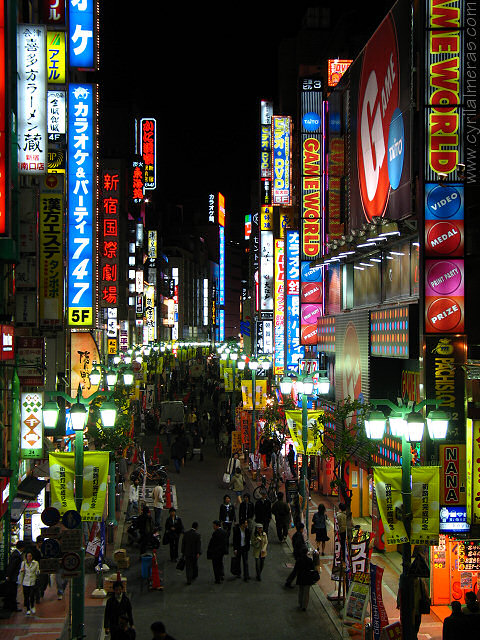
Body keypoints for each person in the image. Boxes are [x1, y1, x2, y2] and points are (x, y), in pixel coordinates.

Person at [4, 540, 25, 611]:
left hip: (12, 576)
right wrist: (9, 575)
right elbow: (12, 566)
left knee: (12, 591)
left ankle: (11, 605)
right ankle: (13, 607)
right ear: (22, 547)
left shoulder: (15, 553)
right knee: (13, 592)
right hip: (13, 577)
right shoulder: (16, 555)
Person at [285, 522, 307, 588]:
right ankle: (289, 581)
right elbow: (299, 545)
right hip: (299, 555)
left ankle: (291, 581)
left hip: (297, 554)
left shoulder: (295, 535)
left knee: (298, 569)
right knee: (297, 569)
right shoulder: (299, 536)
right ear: (301, 529)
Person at [18, 550, 40, 615]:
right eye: (28, 556)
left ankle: (32, 606)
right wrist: (21, 571)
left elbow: (37, 571)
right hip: (25, 581)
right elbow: (21, 572)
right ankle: (28, 608)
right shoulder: (23, 563)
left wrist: (38, 572)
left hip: (32, 581)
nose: (29, 557)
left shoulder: (35, 563)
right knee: (26, 596)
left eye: (30, 556)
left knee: (32, 595)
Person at [295, 547, 316, 611]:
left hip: (300, 577)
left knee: (301, 591)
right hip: (307, 577)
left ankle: (300, 603)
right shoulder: (309, 560)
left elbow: (296, 568)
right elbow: (313, 568)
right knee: (306, 592)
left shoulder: (299, 560)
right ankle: (304, 606)